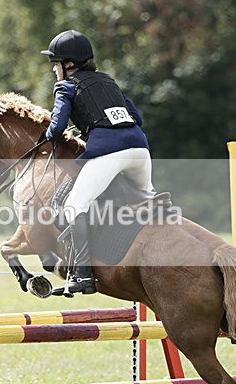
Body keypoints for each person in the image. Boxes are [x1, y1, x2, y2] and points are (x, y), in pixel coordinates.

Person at [41, 29, 155, 295]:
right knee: (146, 200)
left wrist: (47, 136)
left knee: (74, 205)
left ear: (68, 64)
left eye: (55, 64)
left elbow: (56, 128)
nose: (54, 70)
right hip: (140, 150)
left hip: (109, 153)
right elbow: (136, 117)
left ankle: (82, 274)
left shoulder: (66, 86)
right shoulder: (108, 81)